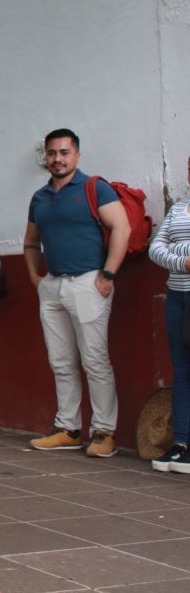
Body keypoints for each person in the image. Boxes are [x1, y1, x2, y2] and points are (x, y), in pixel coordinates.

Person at [24, 128, 131, 458]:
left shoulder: (94, 188)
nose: (58, 158)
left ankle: (104, 432)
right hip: (52, 286)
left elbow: (122, 227)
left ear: (77, 155)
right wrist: (35, 277)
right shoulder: (40, 198)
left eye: (64, 152)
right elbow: (30, 242)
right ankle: (68, 429)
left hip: (88, 283)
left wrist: (108, 274)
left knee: (94, 360)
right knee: (60, 361)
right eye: (52, 153)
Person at [148, 153, 190, 472]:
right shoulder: (177, 210)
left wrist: (175, 249)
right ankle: (181, 444)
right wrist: (183, 261)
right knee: (182, 371)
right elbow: (155, 249)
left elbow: (167, 247)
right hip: (177, 298)